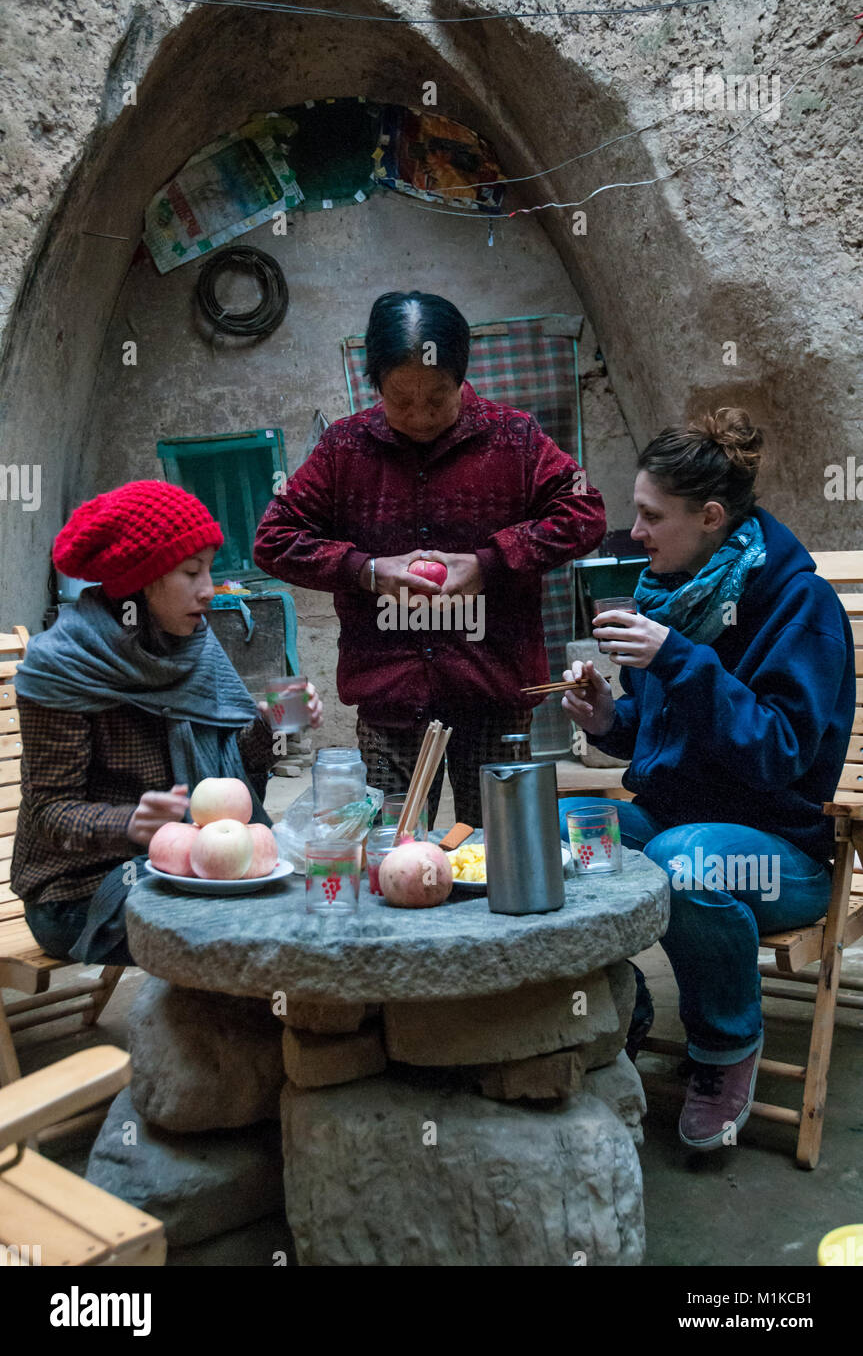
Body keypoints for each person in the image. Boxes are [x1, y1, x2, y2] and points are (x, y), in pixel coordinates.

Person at [558, 408, 855, 1151]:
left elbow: (778, 752)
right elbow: (667, 737)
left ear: (711, 516)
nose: (636, 532)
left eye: (653, 516)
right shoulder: (676, 595)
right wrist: (605, 721)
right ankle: (617, 1014)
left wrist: (677, 662)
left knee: (682, 862)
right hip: (679, 822)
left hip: (779, 855)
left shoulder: (800, 607)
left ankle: (723, 1052)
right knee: (566, 833)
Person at [254, 290, 606, 825]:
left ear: (462, 378)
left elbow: (585, 513)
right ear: (375, 384)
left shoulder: (516, 438)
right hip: (389, 699)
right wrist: (367, 571)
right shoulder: (343, 449)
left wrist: (489, 562)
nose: (419, 416)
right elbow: (273, 539)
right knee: (385, 854)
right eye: (400, 399)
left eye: (437, 398)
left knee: (497, 851)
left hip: (494, 693)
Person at [11, 480, 322, 965]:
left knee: (304, 894)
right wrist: (129, 823)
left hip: (186, 861)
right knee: (241, 931)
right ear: (141, 580)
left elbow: (228, 777)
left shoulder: (191, 642)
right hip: (81, 892)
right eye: (190, 572)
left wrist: (275, 722)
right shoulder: (63, 667)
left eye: (210, 570)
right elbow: (52, 814)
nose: (208, 590)